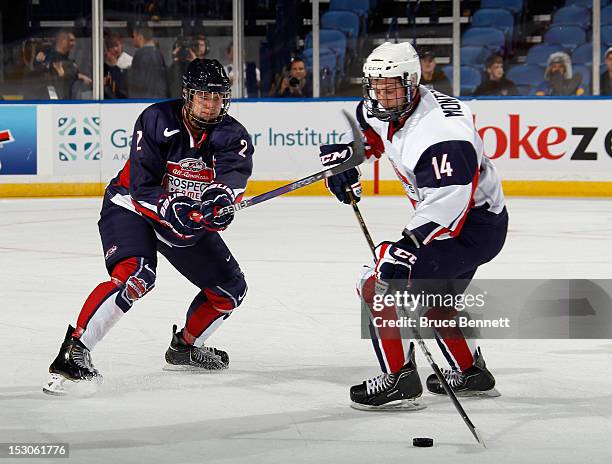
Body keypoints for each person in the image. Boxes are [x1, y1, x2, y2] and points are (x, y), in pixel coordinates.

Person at [43, 59, 254, 396]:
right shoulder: (157, 119)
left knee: (230, 290)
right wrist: (171, 205)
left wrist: (220, 199)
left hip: (183, 221)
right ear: (187, 94)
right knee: (137, 273)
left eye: (217, 97)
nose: (211, 104)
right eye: (203, 95)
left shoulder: (233, 135)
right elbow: (142, 188)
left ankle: (185, 346)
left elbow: (233, 178)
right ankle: (74, 353)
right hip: (132, 206)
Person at [318, 42, 508, 410]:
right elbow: (370, 135)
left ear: (414, 81)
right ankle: (471, 374)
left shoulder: (439, 132)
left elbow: (450, 200)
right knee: (436, 302)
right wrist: (346, 159)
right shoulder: (388, 106)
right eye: (377, 87)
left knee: (376, 281)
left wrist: (407, 248)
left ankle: (399, 379)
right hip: (472, 224)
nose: (384, 96)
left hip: (470, 228)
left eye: (392, 87)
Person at [34, 29, 92, 99]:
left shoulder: (69, 59)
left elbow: (72, 73)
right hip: (51, 101)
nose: (73, 44)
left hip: (67, 99)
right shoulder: (47, 56)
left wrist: (80, 76)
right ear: (63, 41)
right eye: (70, 40)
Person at [128, 26, 169, 98]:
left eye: (134, 36)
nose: (133, 39)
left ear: (140, 37)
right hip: (158, 99)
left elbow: (136, 82)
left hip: (143, 99)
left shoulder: (140, 54)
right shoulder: (158, 54)